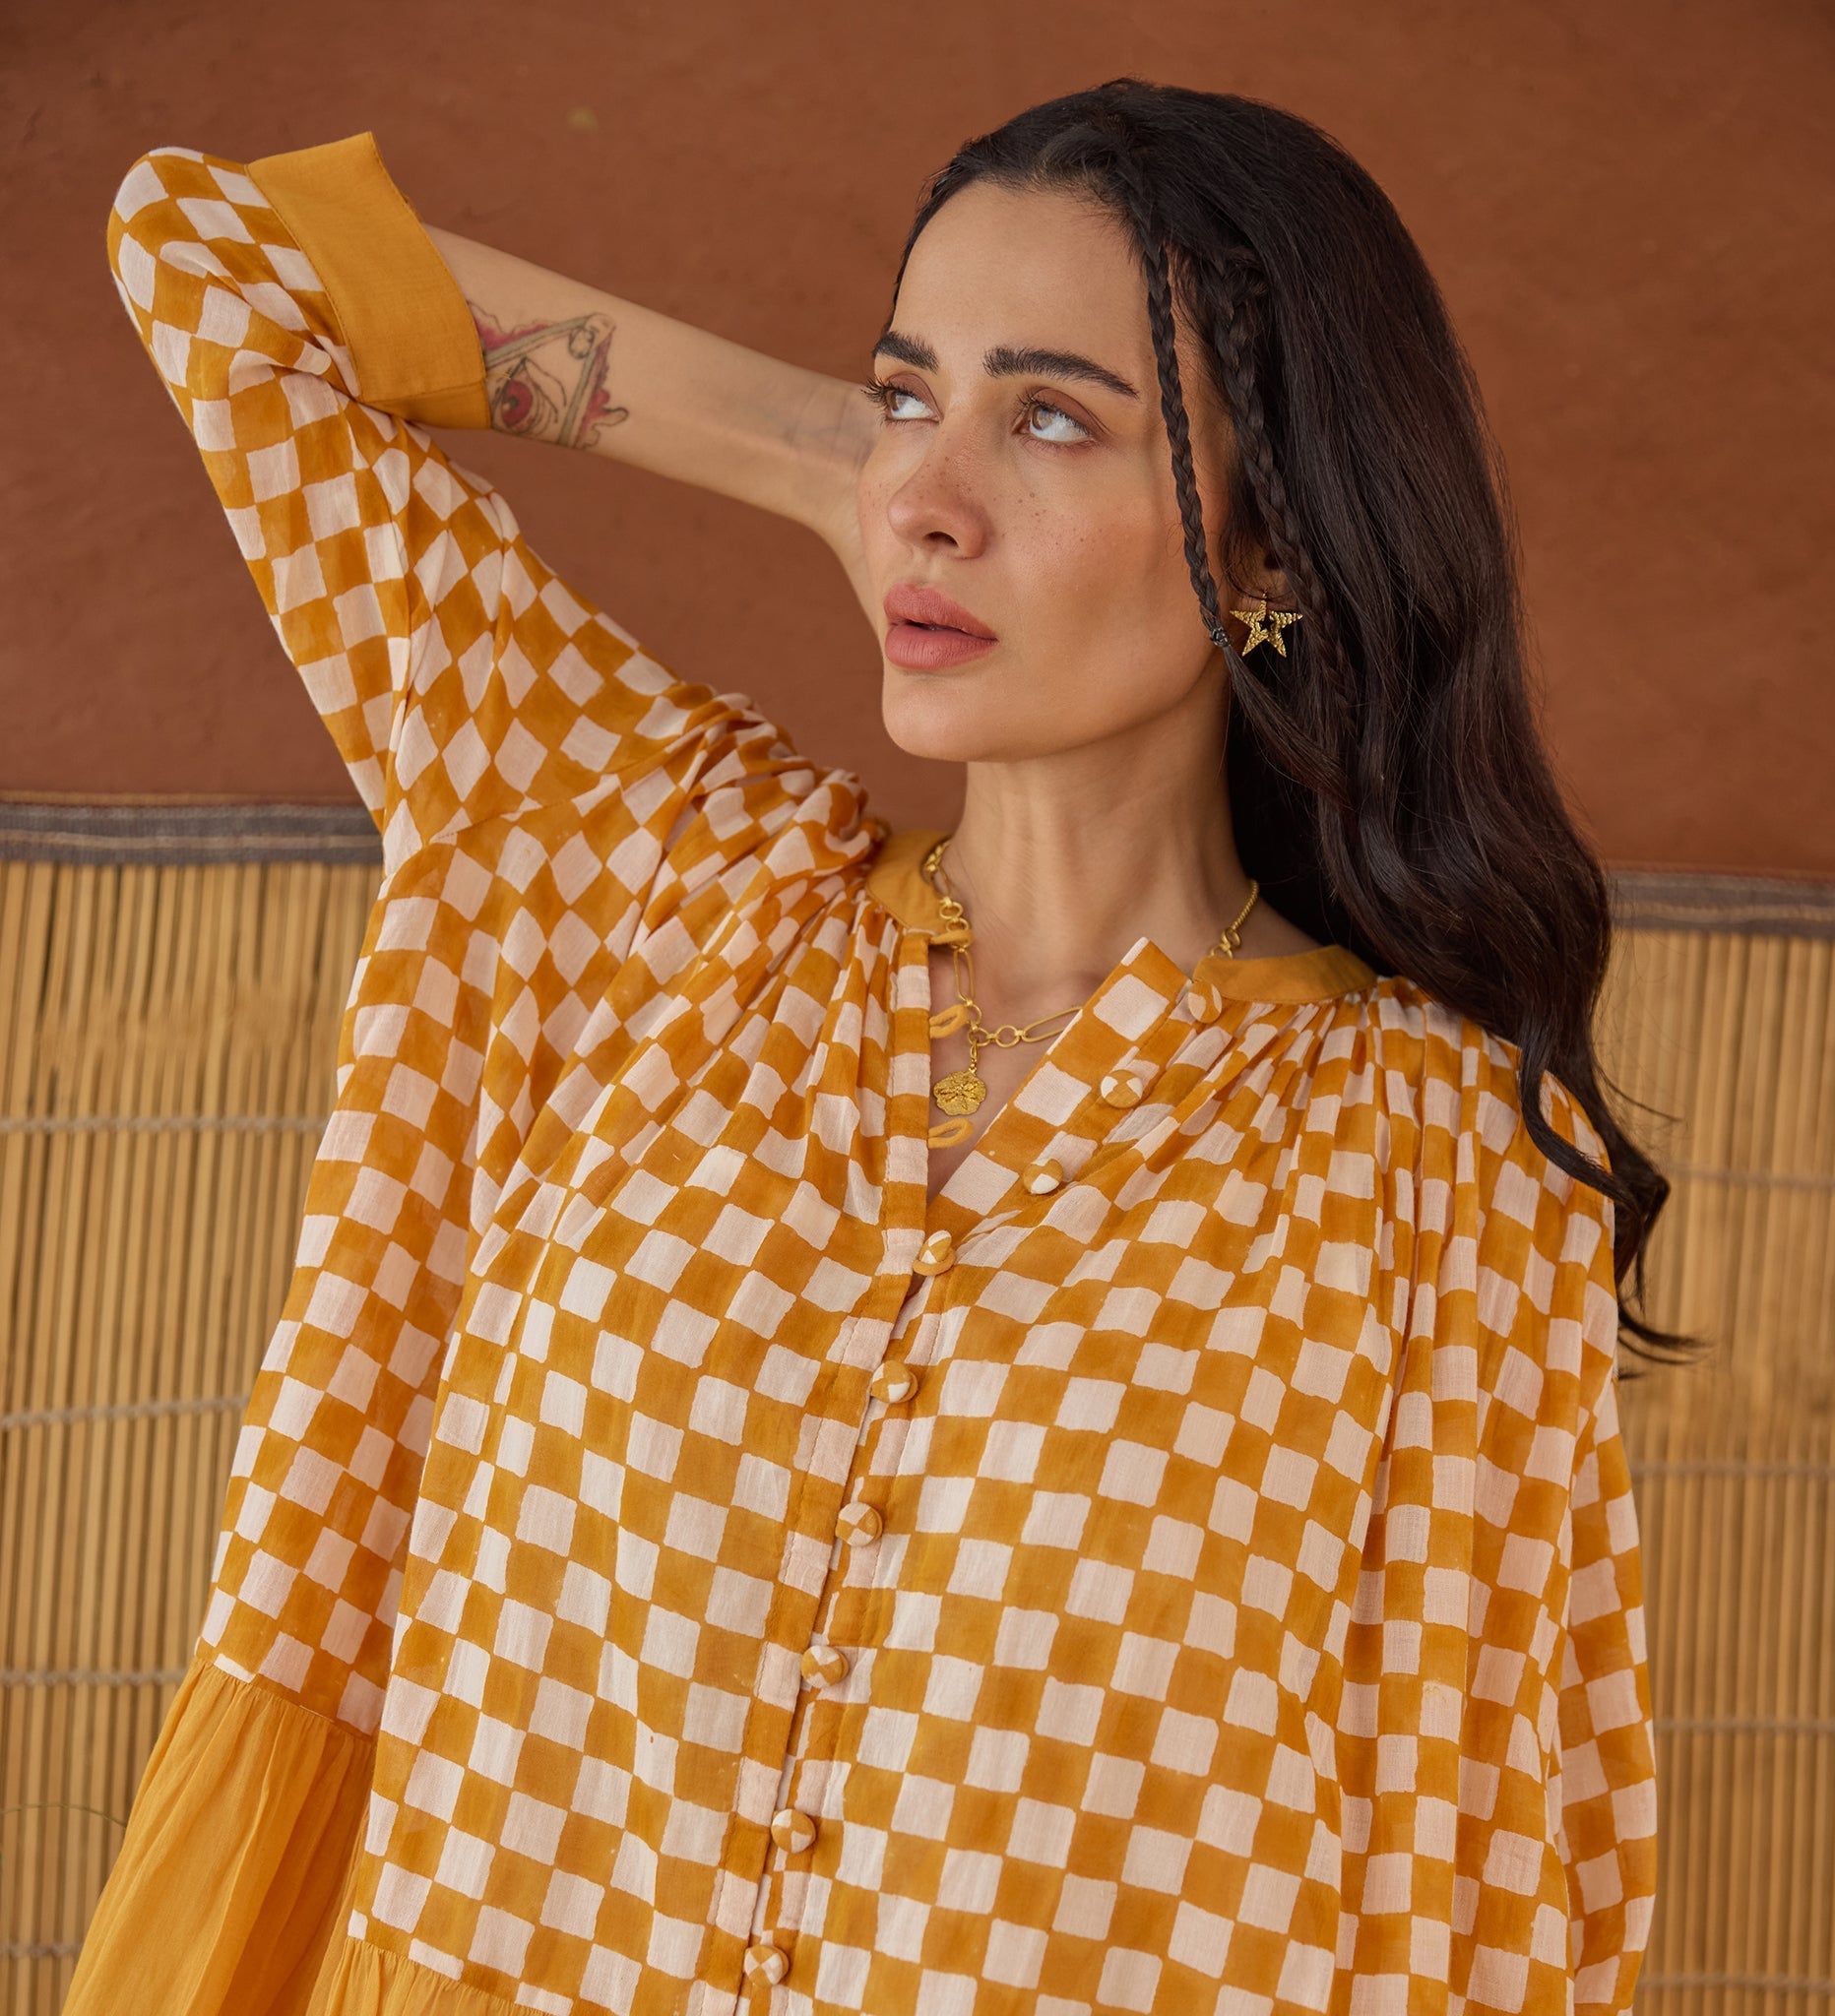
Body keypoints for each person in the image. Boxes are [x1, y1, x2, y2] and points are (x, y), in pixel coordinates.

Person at [70, 78, 1664, 2016]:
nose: (933, 498)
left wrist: (918, 438)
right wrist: (832, 447)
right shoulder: (654, 888)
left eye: (1054, 418)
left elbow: (1484, 1897)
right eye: (910, 392)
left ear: (1270, 545)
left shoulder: (1435, 1167)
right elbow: (218, 266)